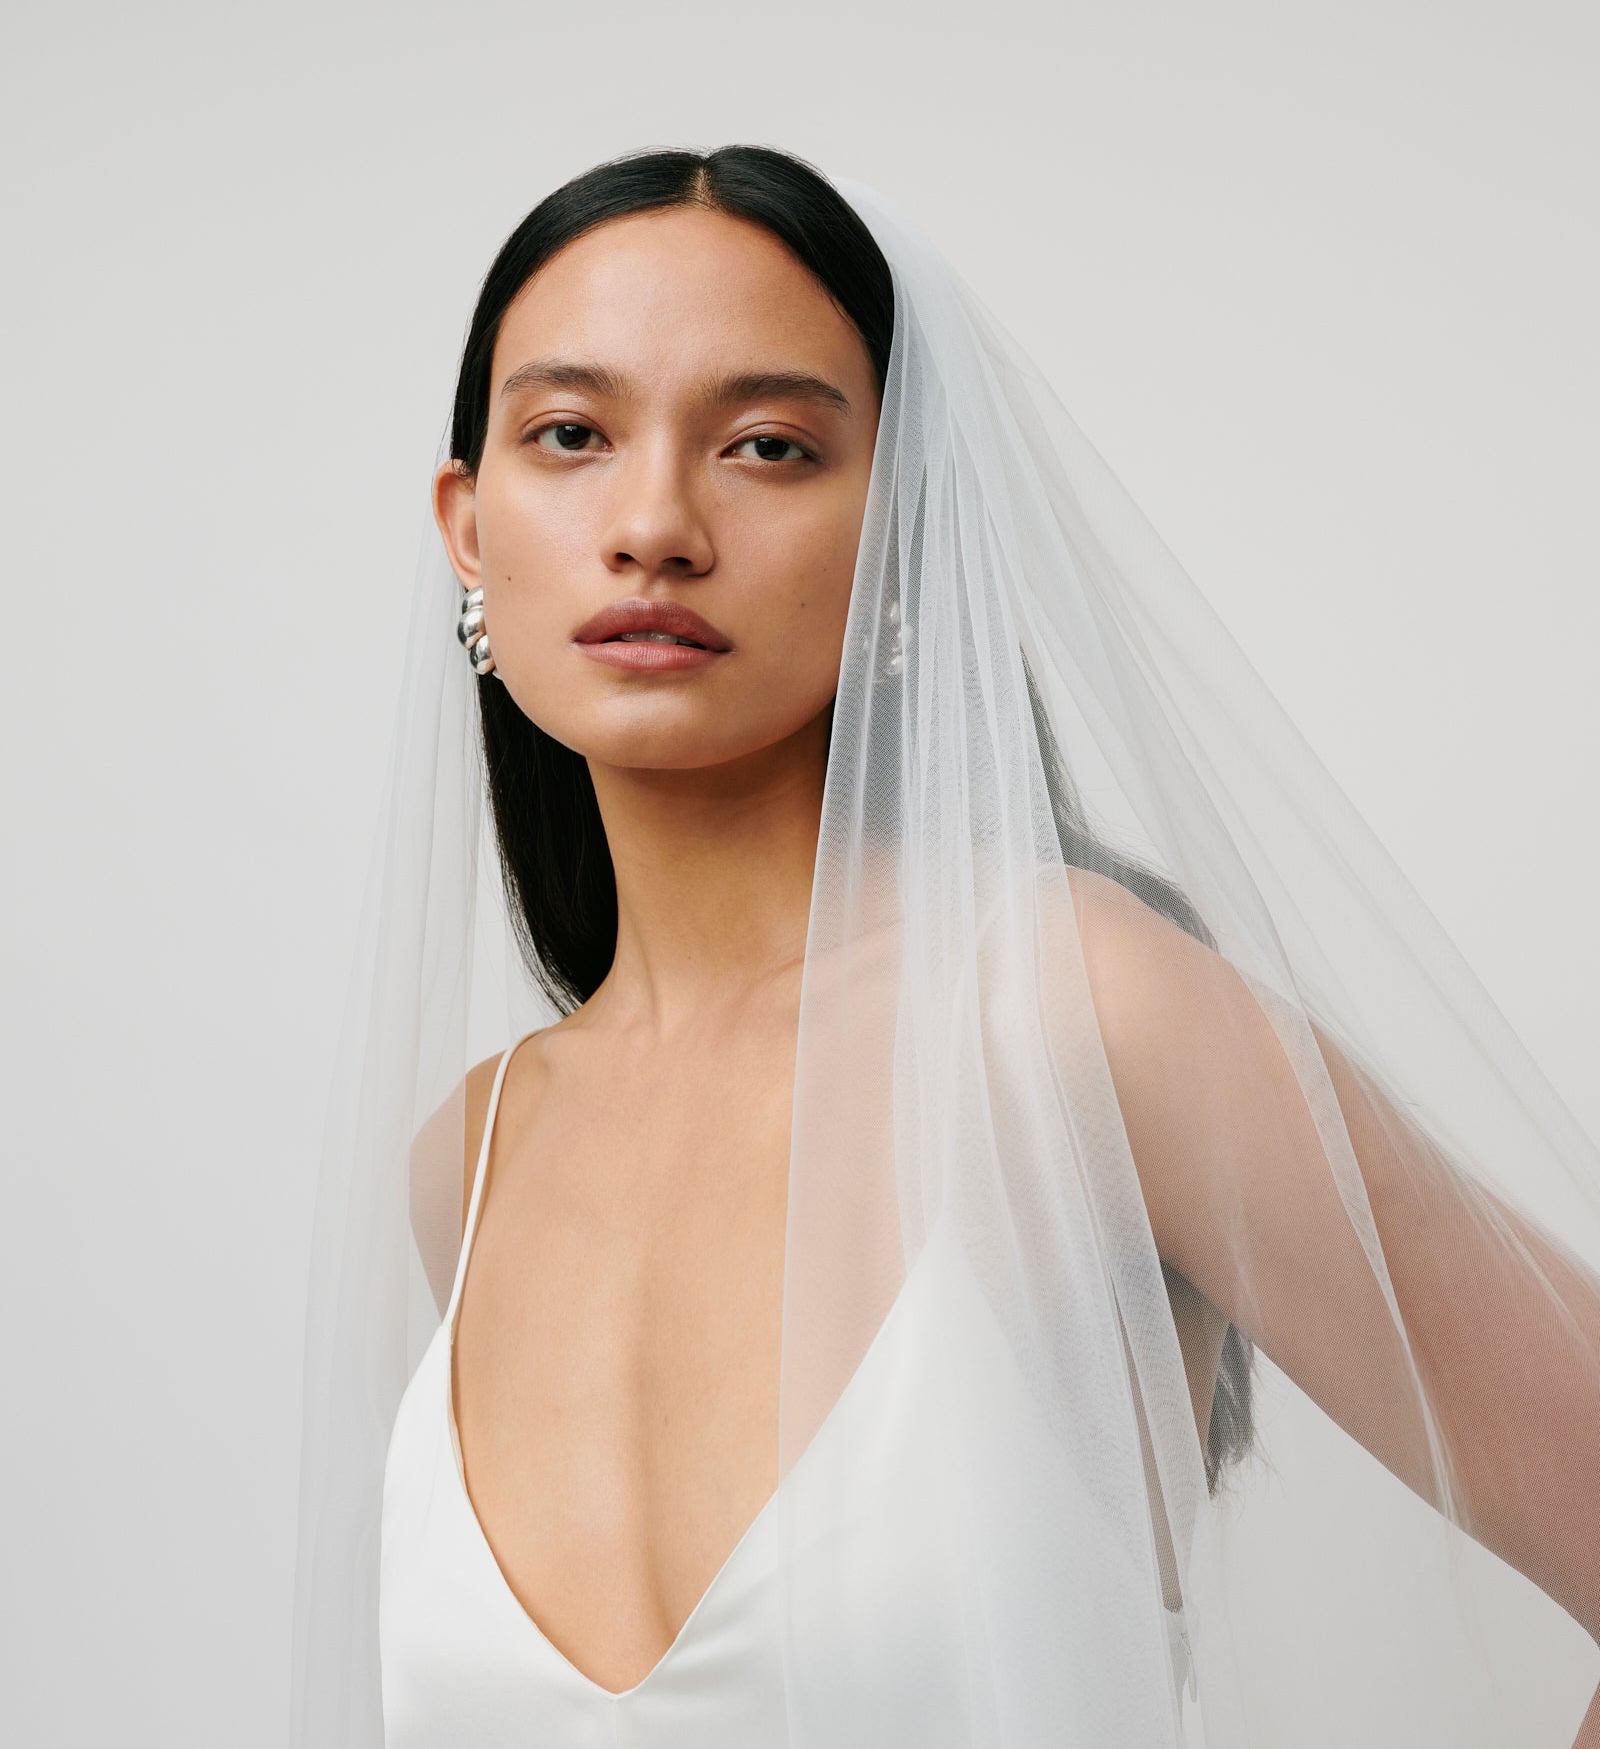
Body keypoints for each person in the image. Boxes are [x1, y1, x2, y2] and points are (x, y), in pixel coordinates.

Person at [293, 145, 1600, 1748]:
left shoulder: (1071, 1017)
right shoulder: (473, 1163)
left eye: (768, 445)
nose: (654, 522)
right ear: (468, 528)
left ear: (904, 519)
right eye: (570, 435)